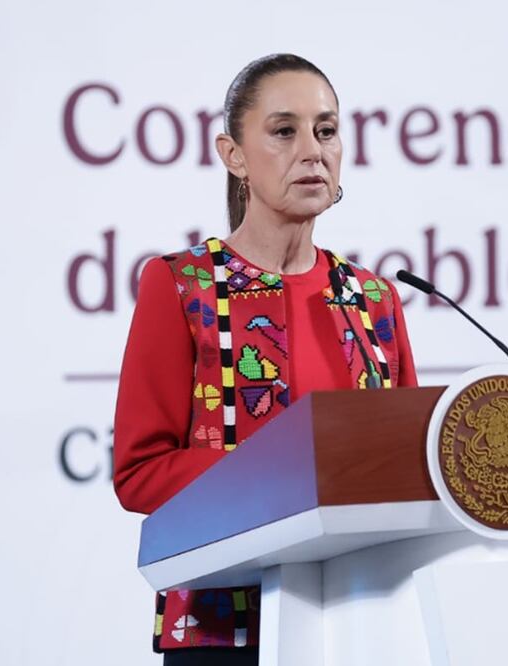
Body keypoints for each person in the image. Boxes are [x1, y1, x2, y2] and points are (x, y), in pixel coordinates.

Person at [113, 54, 418, 665]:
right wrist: (286, 476)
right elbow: (139, 472)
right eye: (284, 131)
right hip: (224, 625)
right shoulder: (182, 285)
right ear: (234, 155)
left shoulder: (374, 299)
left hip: (363, 622)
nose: (312, 150)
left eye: (326, 130)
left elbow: (407, 466)